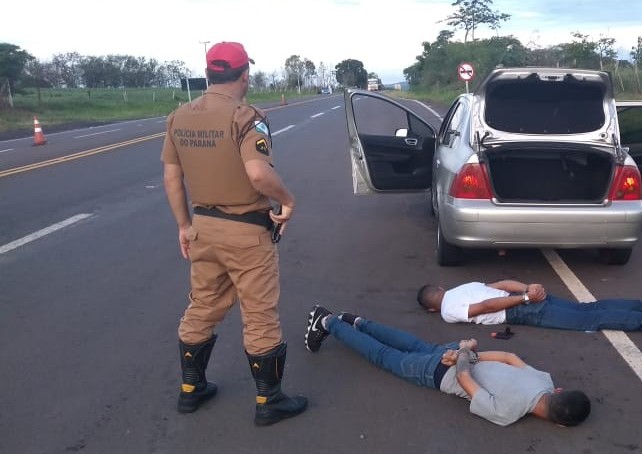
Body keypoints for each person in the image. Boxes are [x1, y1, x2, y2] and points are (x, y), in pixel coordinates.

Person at [162, 41, 307, 426]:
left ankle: (191, 389)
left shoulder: (178, 117)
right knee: (259, 315)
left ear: (209, 74)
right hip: (246, 233)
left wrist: (184, 226)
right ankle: (269, 400)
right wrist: (288, 200)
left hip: (203, 229)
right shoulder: (246, 116)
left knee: (203, 306)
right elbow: (258, 173)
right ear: (244, 75)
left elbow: (172, 177)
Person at [303, 305, 592, 427]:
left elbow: (508, 357)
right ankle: (328, 321)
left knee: (415, 344)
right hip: (441, 372)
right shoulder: (508, 414)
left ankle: (357, 321)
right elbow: (465, 379)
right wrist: (464, 356)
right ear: (560, 425)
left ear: (559, 390)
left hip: (454, 356)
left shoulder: (543, 380)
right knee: (384, 356)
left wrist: (466, 352)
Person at [416, 280, 642, 341]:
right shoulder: (462, 288)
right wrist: (528, 288)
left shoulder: (447, 310)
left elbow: (485, 307)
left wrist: (525, 297)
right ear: (440, 287)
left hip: (521, 309)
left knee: (589, 319)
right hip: (524, 297)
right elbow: (501, 283)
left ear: (431, 309)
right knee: (587, 309)